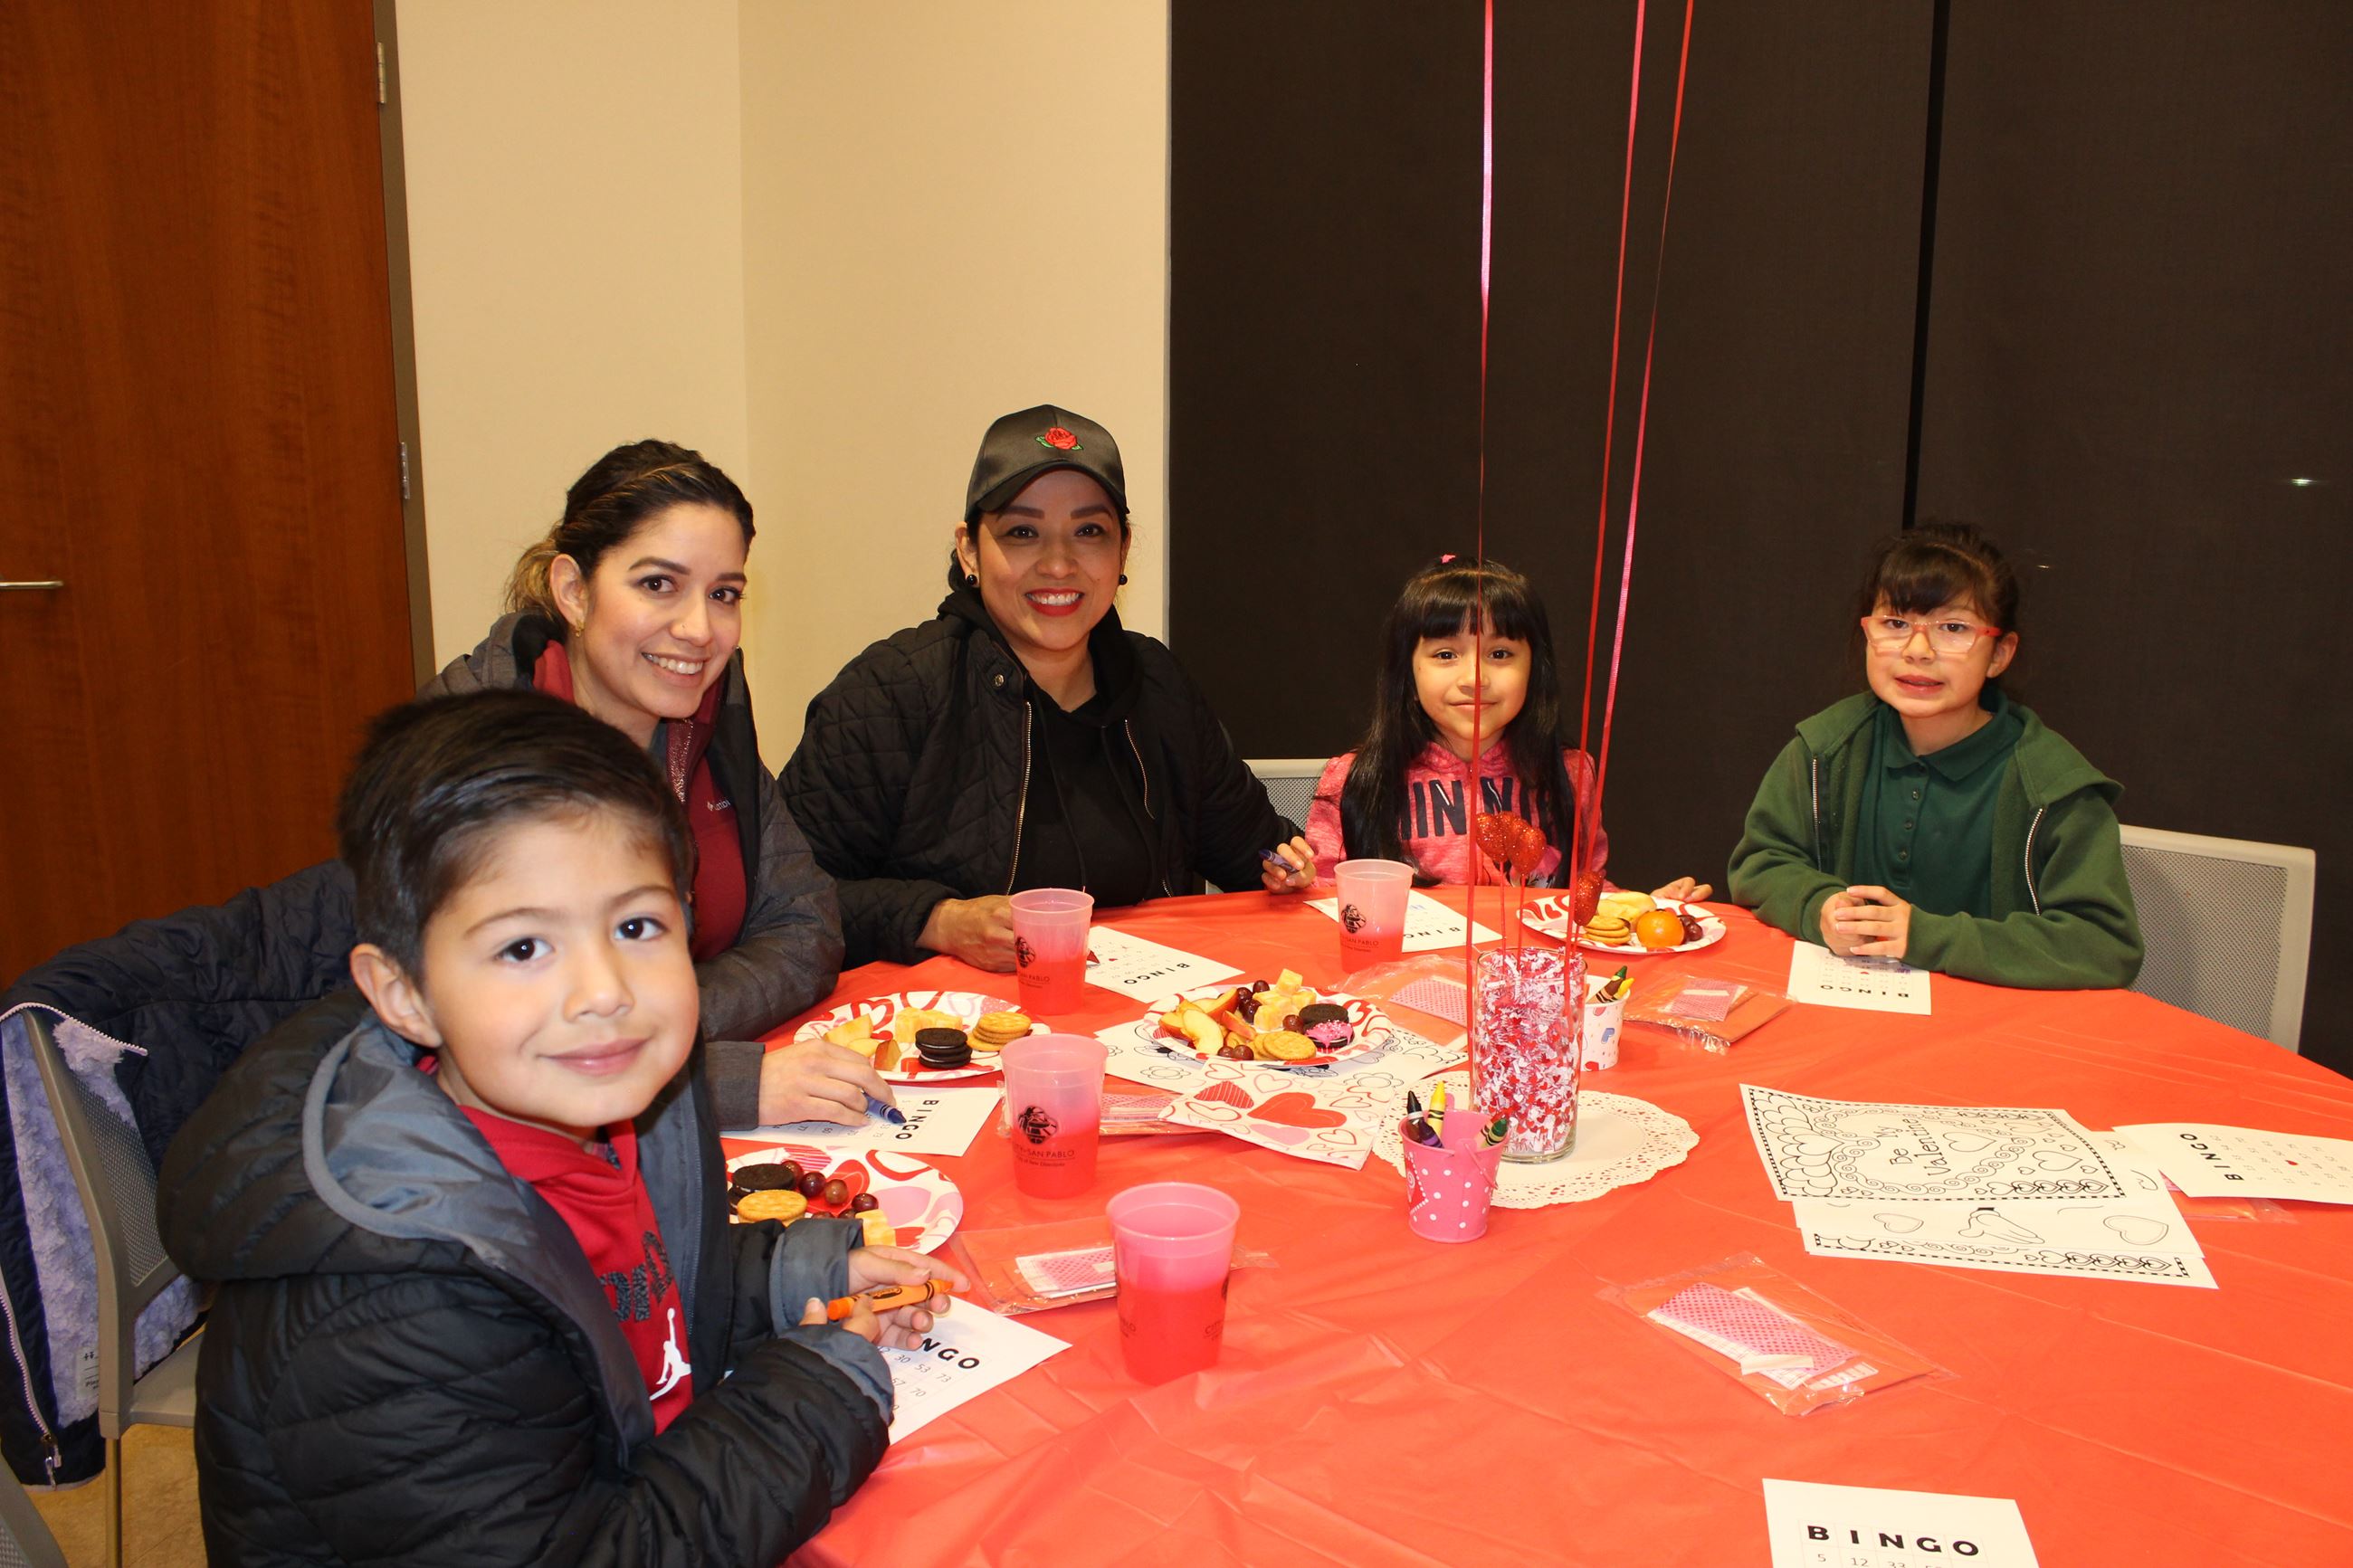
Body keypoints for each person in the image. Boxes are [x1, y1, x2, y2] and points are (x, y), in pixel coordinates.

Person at [157, 691, 963, 1566]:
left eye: (636, 925)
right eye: (523, 948)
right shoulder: (390, 1298)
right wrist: (816, 1392)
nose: (604, 990)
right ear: (404, 994)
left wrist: (801, 1271)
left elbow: (628, 1284)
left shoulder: (612, 1115)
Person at [433, 440, 876, 1128]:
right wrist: (711, 1078)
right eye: (658, 584)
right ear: (574, 591)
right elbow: (472, 1035)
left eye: (723, 593)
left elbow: (806, 927)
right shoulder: (466, 745)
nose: (699, 629)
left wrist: (661, 1028)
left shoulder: (708, 711)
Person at [781, 405, 1313, 969]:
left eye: (1089, 532)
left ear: (1123, 549)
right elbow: (788, 899)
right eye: (1022, 532)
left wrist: (1284, 865)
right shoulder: (892, 690)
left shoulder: (1155, 680)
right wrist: (938, 920)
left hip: (1143, 1027)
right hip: (955, 1032)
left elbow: (1252, 847)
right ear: (969, 550)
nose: (1058, 564)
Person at [1726, 522, 2142, 987]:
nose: (1918, 650)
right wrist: (1818, 905)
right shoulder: (1827, 746)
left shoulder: (2052, 785)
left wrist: (1926, 935)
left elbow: (2105, 944)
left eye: (1953, 628)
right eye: (1896, 624)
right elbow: (1760, 863)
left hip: (1995, 1034)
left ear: (2000, 654)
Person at [1304, 556, 1711, 901]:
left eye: (1500, 653)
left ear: (1535, 669)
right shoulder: (1356, 778)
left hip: (1531, 986)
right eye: (1446, 654)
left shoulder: (1569, 776)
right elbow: (1323, 901)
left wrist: (1646, 909)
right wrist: (1296, 883)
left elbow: (1585, 897)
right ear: (1407, 676)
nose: (1474, 678)